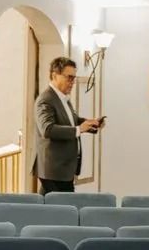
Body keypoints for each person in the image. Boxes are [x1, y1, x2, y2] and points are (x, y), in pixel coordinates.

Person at [33, 55, 101, 194]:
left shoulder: (63, 97)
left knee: (56, 209)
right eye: (69, 77)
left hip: (63, 169)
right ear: (54, 75)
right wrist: (78, 129)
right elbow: (47, 129)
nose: (72, 82)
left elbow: (71, 120)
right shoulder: (45, 99)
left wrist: (90, 124)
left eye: (74, 78)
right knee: (60, 210)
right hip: (53, 170)